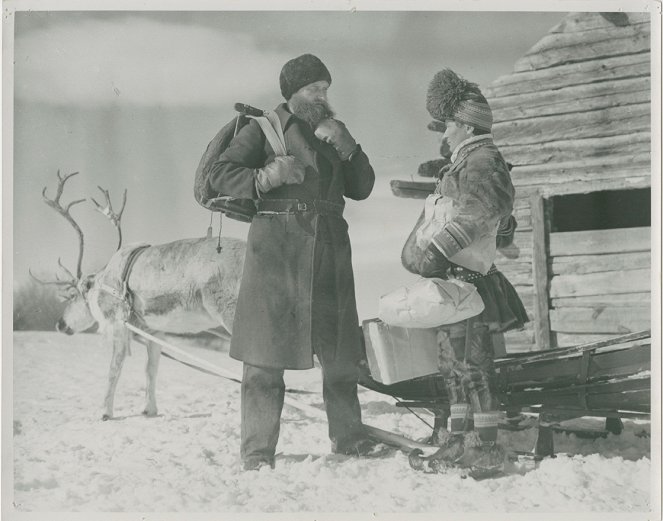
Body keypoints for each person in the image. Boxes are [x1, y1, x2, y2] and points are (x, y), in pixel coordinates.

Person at [207, 54, 377, 471]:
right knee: (264, 358)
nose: (322, 96)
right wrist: (264, 177)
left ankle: (350, 440)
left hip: (330, 249)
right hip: (277, 253)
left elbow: (363, 188)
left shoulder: (332, 132)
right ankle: (257, 453)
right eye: (314, 89)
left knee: (339, 354)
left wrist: (349, 145)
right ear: (293, 92)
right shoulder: (262, 128)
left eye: (325, 89)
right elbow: (219, 174)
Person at [402, 68, 528, 475]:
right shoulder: (463, 163)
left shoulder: (482, 160)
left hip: (468, 284)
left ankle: (486, 448)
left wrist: (437, 251)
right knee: (453, 368)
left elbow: (479, 214)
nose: (443, 133)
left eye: (448, 125)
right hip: (451, 285)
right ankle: (458, 442)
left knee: (474, 369)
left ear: (464, 125)